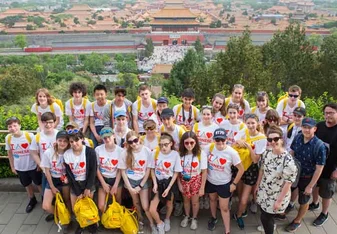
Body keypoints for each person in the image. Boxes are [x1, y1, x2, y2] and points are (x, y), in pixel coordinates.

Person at [285, 117, 327, 232]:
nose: (306, 130)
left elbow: (319, 169)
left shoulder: (319, 146)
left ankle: (297, 220)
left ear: (315, 129)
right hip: (295, 173)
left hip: (307, 177)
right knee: (292, 191)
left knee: (304, 200)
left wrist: (310, 186)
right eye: (304, 127)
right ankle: (290, 205)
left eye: (309, 128)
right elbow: (292, 152)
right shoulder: (298, 137)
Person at [255, 126, 298, 234]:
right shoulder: (267, 153)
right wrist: (257, 185)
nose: (272, 142)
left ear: (282, 139)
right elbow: (262, 170)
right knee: (263, 212)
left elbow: (288, 183)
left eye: (276, 139)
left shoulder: (287, 161)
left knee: (266, 217)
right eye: (270, 140)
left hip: (276, 195)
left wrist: (279, 201)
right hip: (264, 190)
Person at [205, 128, 244, 234]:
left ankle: (227, 230)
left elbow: (241, 169)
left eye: (223, 140)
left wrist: (234, 183)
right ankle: (213, 218)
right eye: (217, 140)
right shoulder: (209, 148)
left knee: (224, 208)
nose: (220, 143)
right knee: (212, 200)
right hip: (211, 181)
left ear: (226, 139)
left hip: (224, 183)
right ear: (213, 140)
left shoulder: (232, 152)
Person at [233, 113, 267, 229]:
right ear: (245, 123)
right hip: (240, 165)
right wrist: (238, 142)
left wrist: (248, 146)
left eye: (253, 123)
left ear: (257, 123)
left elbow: (255, 159)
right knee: (239, 192)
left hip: (251, 169)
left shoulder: (262, 138)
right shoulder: (244, 131)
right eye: (248, 123)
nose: (251, 125)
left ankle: (239, 214)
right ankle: (239, 212)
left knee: (243, 199)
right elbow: (235, 140)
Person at [118, 131, 155, 231]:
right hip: (130, 181)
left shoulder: (146, 151)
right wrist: (129, 187)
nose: (134, 144)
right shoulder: (125, 153)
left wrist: (141, 185)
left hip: (143, 180)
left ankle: (152, 224)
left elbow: (148, 169)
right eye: (130, 142)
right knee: (136, 203)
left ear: (139, 139)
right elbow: (122, 171)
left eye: (135, 140)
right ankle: (140, 220)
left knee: (145, 206)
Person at [63, 130, 98, 234]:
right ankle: (81, 224)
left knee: (88, 205)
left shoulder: (90, 152)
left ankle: (91, 223)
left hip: (88, 182)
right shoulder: (67, 154)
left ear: (82, 139)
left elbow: (93, 171)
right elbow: (70, 175)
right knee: (76, 207)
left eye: (77, 140)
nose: (74, 144)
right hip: (75, 183)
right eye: (71, 141)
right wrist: (78, 192)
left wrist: (88, 188)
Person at [5, 117, 42, 213]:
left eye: (14, 125)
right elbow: (10, 153)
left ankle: (44, 198)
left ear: (19, 125)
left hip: (33, 165)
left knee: (39, 183)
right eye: (10, 126)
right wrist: (12, 166)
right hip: (20, 167)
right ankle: (32, 199)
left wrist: (39, 164)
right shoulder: (8, 138)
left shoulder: (29, 136)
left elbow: (37, 150)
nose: (13, 128)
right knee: (26, 184)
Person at [149, 133, 182, 234]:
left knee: (169, 203)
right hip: (158, 182)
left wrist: (168, 188)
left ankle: (167, 219)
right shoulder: (155, 153)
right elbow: (152, 169)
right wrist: (154, 183)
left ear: (171, 144)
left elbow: (176, 172)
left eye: (165, 144)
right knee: (152, 208)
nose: (163, 147)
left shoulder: (175, 155)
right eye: (161, 145)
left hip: (169, 182)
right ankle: (159, 223)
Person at [310, 103, 337, 226]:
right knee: (315, 186)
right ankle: (315, 203)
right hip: (316, 165)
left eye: (331, 113)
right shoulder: (319, 126)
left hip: (330, 168)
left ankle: (324, 213)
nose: (328, 115)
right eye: (326, 113)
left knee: (326, 192)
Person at [40, 130, 71, 228]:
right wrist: (52, 186)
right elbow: (47, 171)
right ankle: (58, 214)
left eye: (65, 141)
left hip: (66, 180)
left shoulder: (70, 152)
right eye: (60, 140)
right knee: (46, 206)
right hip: (52, 179)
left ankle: (68, 218)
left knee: (67, 200)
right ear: (56, 140)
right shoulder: (48, 152)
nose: (62, 143)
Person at [178, 131, 207, 230]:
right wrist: (179, 184)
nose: (189, 145)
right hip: (183, 180)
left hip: (196, 180)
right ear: (183, 143)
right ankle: (187, 216)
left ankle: (194, 218)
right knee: (186, 201)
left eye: (192, 142)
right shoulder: (180, 153)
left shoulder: (200, 153)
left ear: (196, 142)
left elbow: (204, 171)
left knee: (195, 201)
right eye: (186, 143)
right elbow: (177, 171)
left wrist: (202, 187)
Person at [30, 112, 58, 211]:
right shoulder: (37, 136)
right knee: (47, 190)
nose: (48, 124)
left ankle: (62, 211)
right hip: (46, 169)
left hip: (59, 169)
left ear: (54, 122)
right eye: (45, 122)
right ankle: (54, 212)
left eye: (50, 122)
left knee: (61, 191)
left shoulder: (59, 134)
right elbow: (33, 152)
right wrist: (41, 165)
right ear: (42, 123)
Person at [95, 127, 123, 212]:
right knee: (101, 206)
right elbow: (97, 168)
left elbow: (120, 169)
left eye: (109, 137)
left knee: (117, 201)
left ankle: (117, 219)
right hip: (103, 178)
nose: (107, 139)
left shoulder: (120, 151)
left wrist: (115, 185)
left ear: (114, 136)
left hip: (115, 178)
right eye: (104, 138)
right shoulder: (98, 149)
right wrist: (103, 183)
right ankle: (106, 219)